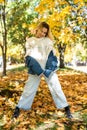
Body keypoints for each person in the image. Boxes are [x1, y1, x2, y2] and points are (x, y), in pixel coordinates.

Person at [13, 22, 73, 119]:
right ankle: (19, 108)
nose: (43, 34)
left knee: (56, 88)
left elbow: (51, 56)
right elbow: (28, 58)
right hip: (35, 69)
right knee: (28, 89)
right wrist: (39, 71)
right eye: (42, 31)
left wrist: (48, 71)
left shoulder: (48, 41)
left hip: (48, 69)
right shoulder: (30, 41)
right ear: (38, 29)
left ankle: (66, 108)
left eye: (45, 33)